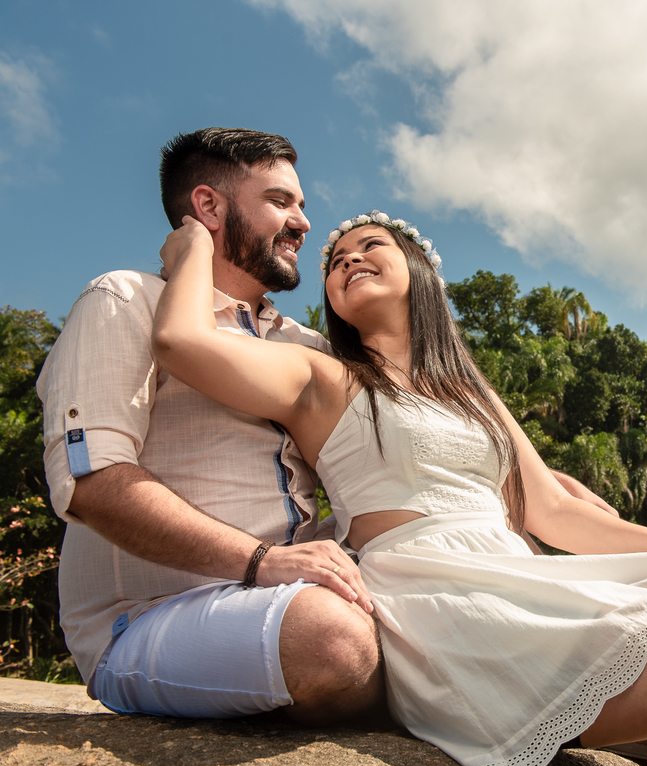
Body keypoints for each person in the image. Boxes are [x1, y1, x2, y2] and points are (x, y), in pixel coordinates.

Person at [150, 200, 647, 766]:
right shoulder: (322, 378)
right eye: (333, 260)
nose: (346, 259)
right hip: (441, 598)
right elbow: (183, 343)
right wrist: (189, 252)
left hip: (516, 570)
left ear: (420, 269)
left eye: (369, 248)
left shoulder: (467, 388)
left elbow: (549, 506)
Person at [35, 127, 607, 726]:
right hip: (151, 616)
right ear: (207, 207)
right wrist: (260, 562)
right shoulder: (125, 300)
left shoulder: (307, 349)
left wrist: (507, 479)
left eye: (302, 205)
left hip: (295, 588)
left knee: (507, 576)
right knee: (335, 641)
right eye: (281, 201)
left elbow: (393, 460)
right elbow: (92, 482)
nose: (305, 223)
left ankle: (633, 706)